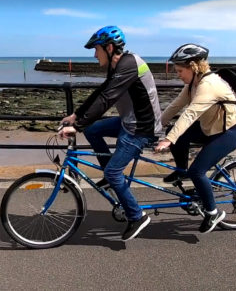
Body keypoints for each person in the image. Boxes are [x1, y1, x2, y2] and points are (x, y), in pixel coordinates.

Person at [59, 25, 163, 241]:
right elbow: (101, 92)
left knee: (115, 173)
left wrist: (75, 127)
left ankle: (137, 216)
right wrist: (77, 116)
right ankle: (109, 174)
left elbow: (107, 100)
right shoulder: (116, 66)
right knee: (93, 129)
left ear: (108, 47)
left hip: (142, 128)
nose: (94, 55)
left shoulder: (129, 64)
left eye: (96, 50)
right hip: (129, 122)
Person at [154, 43, 236, 233]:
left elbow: (189, 115)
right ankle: (180, 170)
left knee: (197, 172)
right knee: (177, 134)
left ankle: (213, 213)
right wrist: (155, 128)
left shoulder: (208, 85)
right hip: (209, 128)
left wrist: (168, 139)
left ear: (193, 67)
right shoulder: (192, 84)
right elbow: (174, 107)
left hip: (229, 132)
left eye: (180, 70)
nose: (178, 74)